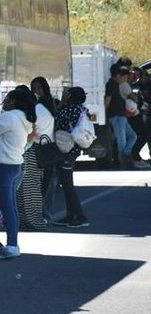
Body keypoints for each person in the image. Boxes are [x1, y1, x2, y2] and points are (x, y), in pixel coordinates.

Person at [0, 86, 37, 258]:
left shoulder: (9, 117)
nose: (4, 102)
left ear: (13, 101)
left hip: (3, 165)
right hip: (15, 164)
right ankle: (12, 243)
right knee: (10, 206)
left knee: (7, 206)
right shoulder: (23, 118)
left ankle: (12, 245)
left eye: (6, 99)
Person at [18, 76, 57, 230]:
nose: (36, 92)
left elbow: (32, 131)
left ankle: (42, 214)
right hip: (50, 148)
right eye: (34, 89)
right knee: (47, 183)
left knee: (38, 186)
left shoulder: (37, 108)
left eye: (39, 88)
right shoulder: (48, 106)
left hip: (39, 149)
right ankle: (44, 214)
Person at [49, 86, 90, 227]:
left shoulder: (69, 110)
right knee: (67, 184)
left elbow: (54, 117)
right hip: (74, 149)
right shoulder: (82, 109)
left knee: (67, 184)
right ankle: (70, 216)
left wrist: (61, 102)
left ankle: (81, 217)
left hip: (67, 150)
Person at [106, 63, 137, 169]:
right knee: (121, 140)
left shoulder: (116, 84)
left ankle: (125, 155)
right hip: (116, 116)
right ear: (118, 76)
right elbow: (107, 102)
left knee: (133, 136)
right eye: (125, 77)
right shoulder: (111, 85)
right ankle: (124, 162)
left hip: (121, 115)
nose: (126, 79)